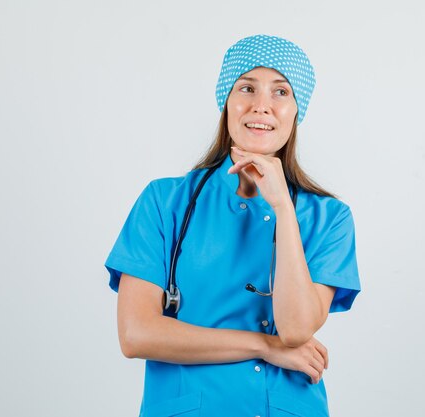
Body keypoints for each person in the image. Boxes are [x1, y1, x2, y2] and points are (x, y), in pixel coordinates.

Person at [105, 34, 361, 417]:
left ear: (297, 110)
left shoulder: (329, 218)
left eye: (280, 92)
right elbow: (136, 334)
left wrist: (283, 209)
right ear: (226, 100)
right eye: (246, 88)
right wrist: (264, 345)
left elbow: (295, 330)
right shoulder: (164, 202)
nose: (262, 106)